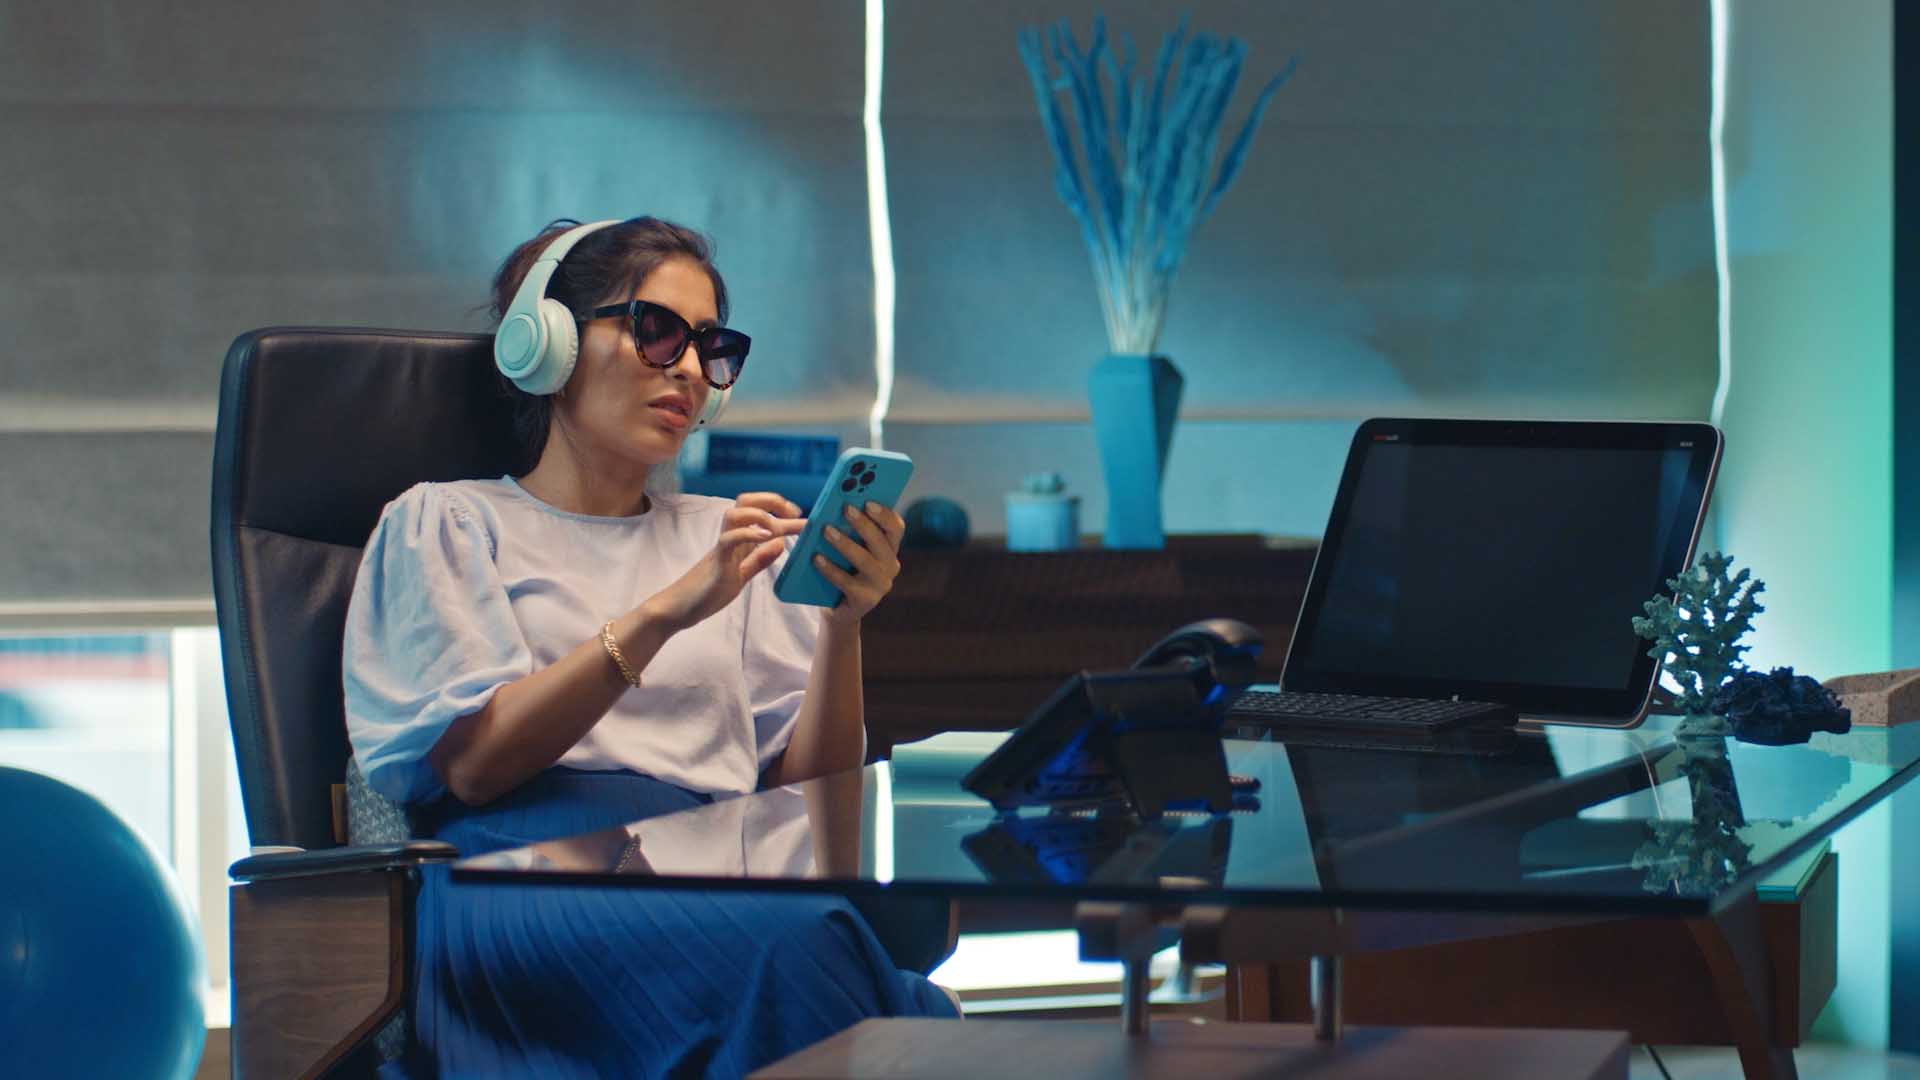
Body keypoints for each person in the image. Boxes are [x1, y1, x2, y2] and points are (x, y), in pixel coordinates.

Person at [343, 216, 957, 1078]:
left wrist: (841, 628)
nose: (687, 370)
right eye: (655, 329)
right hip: (515, 877)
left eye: (710, 346)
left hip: (719, 867)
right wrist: (668, 610)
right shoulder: (446, 520)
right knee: (838, 972)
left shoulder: (723, 535)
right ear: (547, 342)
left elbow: (812, 808)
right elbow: (475, 767)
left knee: (833, 953)